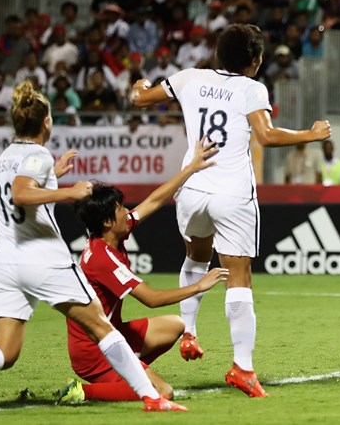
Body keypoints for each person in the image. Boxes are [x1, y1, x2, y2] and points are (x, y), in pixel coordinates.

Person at [131, 24, 331, 397]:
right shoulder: (251, 88)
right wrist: (312, 133)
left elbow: (142, 99)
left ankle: (188, 332)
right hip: (232, 194)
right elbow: (267, 135)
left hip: (192, 187)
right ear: (255, 60)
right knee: (237, 275)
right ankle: (242, 367)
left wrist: (139, 86)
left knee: (195, 257)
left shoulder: (190, 77)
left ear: (219, 54)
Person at [0, 81, 184, 412]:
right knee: (101, 327)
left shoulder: (7, 156)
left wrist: (54, 175)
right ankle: (151, 397)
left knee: (5, 353)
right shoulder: (37, 154)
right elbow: (22, 193)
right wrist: (69, 191)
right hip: (40, 258)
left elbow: (22, 186)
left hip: (5, 260)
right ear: (46, 123)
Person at [59, 142, 229, 404]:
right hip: (94, 351)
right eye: (120, 209)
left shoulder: (111, 236)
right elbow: (150, 298)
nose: (127, 213)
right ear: (107, 222)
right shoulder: (103, 258)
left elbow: (155, 200)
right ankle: (82, 391)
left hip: (109, 334)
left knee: (175, 325)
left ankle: (128, 372)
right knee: (163, 392)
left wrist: (191, 168)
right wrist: (198, 285)